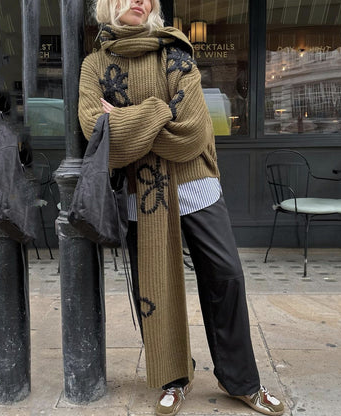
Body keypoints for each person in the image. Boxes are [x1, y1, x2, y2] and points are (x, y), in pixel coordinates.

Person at [78, 1, 285, 415]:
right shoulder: (94, 64)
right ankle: (173, 377)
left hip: (196, 186)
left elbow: (191, 133)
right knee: (155, 287)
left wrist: (131, 117)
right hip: (144, 195)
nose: (142, 1)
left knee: (225, 276)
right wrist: (160, 112)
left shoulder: (174, 49)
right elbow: (95, 133)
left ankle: (241, 380)